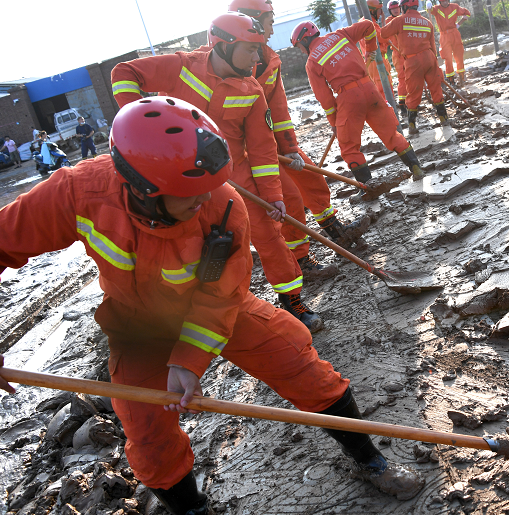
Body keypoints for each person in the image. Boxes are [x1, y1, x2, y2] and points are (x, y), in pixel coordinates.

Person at [0, 97, 425, 513]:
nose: (206, 199)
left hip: (218, 308)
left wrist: (188, 358)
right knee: (148, 434)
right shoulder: (77, 191)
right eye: (191, 194)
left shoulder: (222, 204)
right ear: (144, 188)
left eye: (210, 186)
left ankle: (370, 459)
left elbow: (222, 292)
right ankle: (191, 509)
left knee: (298, 363)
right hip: (137, 328)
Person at [112, 12, 323, 332]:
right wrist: (138, 116)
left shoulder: (251, 91)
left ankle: (292, 302)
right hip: (180, 181)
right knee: (191, 248)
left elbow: (263, 150)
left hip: (234, 178)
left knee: (269, 238)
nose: (257, 56)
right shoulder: (181, 66)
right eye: (250, 49)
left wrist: (272, 195)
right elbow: (124, 72)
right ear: (224, 46)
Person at [228, 0, 371, 253]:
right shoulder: (219, 65)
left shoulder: (269, 60)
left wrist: (291, 148)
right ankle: (301, 257)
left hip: (271, 141)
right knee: (289, 200)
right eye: (270, 23)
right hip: (245, 153)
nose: (272, 31)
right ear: (250, 21)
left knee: (311, 177)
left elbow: (279, 110)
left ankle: (337, 232)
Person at [292, 20, 425, 184]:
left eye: (299, 46)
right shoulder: (340, 35)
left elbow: (325, 98)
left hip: (348, 98)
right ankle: (416, 167)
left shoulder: (312, 62)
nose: (301, 50)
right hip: (370, 89)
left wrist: (335, 123)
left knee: (349, 147)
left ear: (304, 40)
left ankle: (368, 186)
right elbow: (368, 26)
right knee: (391, 134)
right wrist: (371, 50)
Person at [381, 0, 449, 134]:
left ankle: (412, 125)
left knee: (413, 92)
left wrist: (381, 22)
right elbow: (433, 47)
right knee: (435, 88)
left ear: (405, 6)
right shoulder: (427, 22)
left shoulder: (399, 20)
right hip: (430, 57)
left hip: (413, 60)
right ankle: (444, 118)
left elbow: (383, 34)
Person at [356, 0, 395, 103]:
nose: (381, 13)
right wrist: (383, 23)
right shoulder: (370, 24)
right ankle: (390, 113)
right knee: (384, 89)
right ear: (372, 11)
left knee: (381, 87)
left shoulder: (363, 22)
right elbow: (383, 37)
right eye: (379, 10)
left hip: (373, 60)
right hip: (376, 61)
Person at [428, 0, 470, 85]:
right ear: (440, 2)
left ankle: (462, 76)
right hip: (444, 35)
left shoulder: (454, 7)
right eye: (443, 1)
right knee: (447, 58)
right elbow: (430, 10)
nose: (445, 3)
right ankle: (451, 80)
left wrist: (459, 24)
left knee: (459, 55)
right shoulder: (437, 9)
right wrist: (428, 5)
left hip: (455, 33)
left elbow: (467, 13)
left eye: (446, 0)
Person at [385, 0, 409, 119]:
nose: (396, 10)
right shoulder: (389, 21)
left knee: (411, 77)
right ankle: (402, 104)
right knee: (402, 78)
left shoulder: (403, 18)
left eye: (397, 8)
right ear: (390, 11)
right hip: (397, 54)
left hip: (407, 53)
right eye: (393, 9)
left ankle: (410, 102)